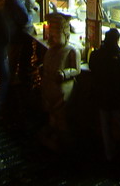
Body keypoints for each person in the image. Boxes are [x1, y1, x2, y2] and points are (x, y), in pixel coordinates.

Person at [88, 28, 120, 168]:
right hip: (117, 98)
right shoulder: (118, 57)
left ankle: (109, 155)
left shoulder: (96, 54)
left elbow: (92, 67)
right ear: (117, 40)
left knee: (105, 127)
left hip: (101, 97)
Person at [40, 13, 81, 149]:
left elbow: (76, 69)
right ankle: (53, 135)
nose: (51, 39)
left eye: (55, 36)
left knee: (62, 118)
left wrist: (64, 74)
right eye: (50, 35)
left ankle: (64, 139)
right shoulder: (51, 50)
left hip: (63, 93)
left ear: (66, 36)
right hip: (49, 90)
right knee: (52, 117)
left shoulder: (71, 51)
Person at [4, 0, 33, 86]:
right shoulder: (17, 3)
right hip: (14, 35)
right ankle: (10, 81)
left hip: (11, 33)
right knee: (13, 58)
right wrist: (31, 15)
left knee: (12, 57)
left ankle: (10, 79)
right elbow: (25, 19)